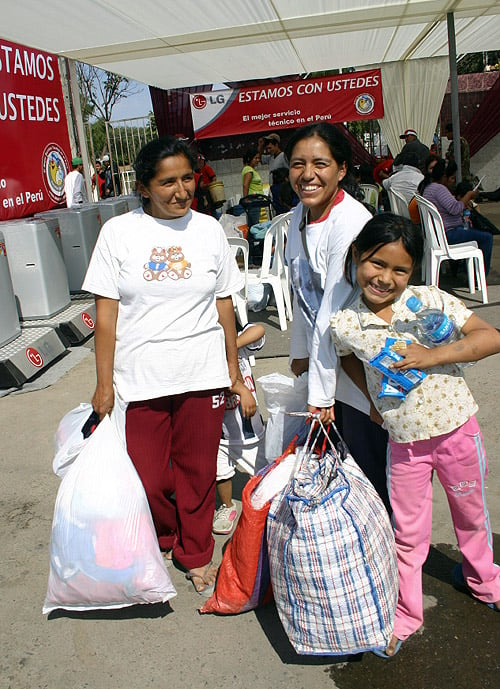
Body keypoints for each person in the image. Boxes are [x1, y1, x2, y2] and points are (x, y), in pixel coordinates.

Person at [330, 213, 500, 658]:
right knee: (407, 533)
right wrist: (370, 398)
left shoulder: (430, 302)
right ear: (356, 258)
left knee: (471, 513)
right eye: (375, 263)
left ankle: (485, 581)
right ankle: (406, 614)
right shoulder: (345, 321)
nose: (384, 278)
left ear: (413, 271)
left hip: (457, 430)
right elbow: (348, 358)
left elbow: (490, 336)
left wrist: (435, 355)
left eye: (399, 269)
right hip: (403, 444)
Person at [81, 136, 244, 597]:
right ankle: (166, 532)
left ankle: (196, 555)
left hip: (202, 372)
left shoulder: (209, 230)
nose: (180, 190)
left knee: (197, 473)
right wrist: (103, 385)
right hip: (140, 378)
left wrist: (232, 372)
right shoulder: (118, 233)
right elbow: (106, 316)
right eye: (167, 181)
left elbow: (224, 307)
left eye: (187, 178)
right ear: (144, 186)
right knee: (148, 477)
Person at [284, 122, 390, 510]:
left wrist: (321, 394)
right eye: (298, 164)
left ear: (342, 169)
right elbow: (299, 287)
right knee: (342, 463)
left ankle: (391, 552)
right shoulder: (300, 213)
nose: (307, 174)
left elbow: (332, 309)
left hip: (360, 364)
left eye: (320, 163)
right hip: (330, 360)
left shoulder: (350, 224)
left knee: (369, 464)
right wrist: (300, 352)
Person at [213, 323, 266, 536]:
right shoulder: (207, 357)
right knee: (221, 474)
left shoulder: (240, 348)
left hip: (251, 432)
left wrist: (231, 345)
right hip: (222, 435)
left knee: (263, 473)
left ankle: (265, 501)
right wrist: (241, 390)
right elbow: (225, 383)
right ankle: (227, 506)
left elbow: (259, 329)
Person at [421, 158, 493, 274]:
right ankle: (479, 274)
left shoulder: (429, 188)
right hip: (448, 233)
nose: (453, 181)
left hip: (440, 234)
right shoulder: (439, 189)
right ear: (444, 176)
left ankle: (466, 270)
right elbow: (455, 209)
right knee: (487, 237)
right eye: (452, 178)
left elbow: (449, 205)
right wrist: (468, 195)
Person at [259, 133, 289, 213]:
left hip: (282, 187)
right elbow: (260, 159)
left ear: (276, 145)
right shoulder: (271, 158)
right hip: (273, 188)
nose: (268, 150)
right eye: (267, 149)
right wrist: (260, 146)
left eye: (270, 148)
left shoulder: (283, 156)